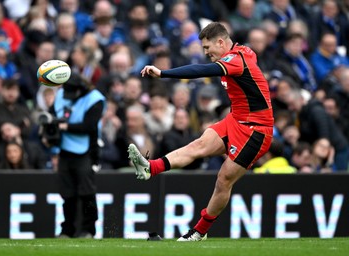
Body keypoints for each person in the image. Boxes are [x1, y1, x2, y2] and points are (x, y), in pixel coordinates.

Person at [128, 22, 274, 241]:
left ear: (221, 42)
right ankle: (151, 168)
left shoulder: (235, 60)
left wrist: (163, 73)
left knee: (224, 179)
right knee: (198, 145)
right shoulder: (241, 53)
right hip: (236, 119)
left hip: (256, 130)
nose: (206, 53)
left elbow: (202, 71)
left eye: (208, 48)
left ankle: (199, 232)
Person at [50, 73, 106, 238]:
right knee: (67, 193)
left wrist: (63, 127)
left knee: (87, 192)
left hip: (85, 151)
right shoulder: (62, 94)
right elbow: (52, 114)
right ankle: (67, 229)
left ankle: (88, 229)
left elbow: (89, 126)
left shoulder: (95, 99)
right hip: (64, 150)